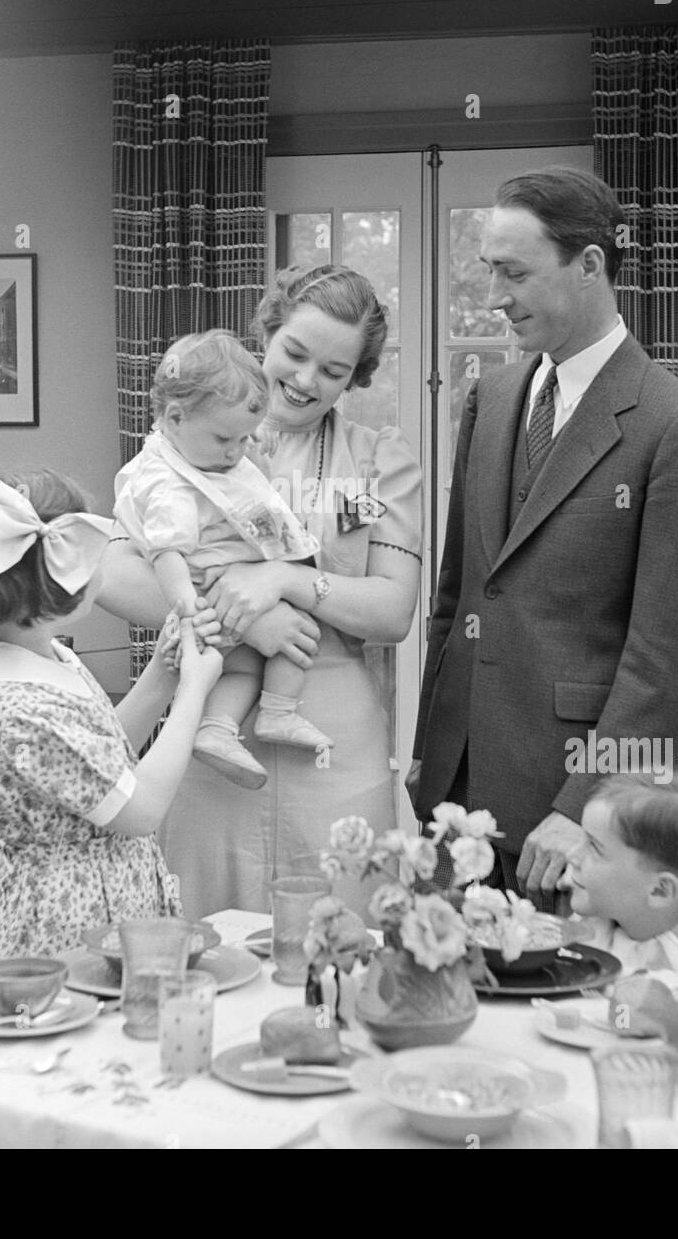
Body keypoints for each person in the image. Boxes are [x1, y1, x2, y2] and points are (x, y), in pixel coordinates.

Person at [411, 166, 678, 902]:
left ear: (590, 264)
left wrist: (584, 808)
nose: (495, 298)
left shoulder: (677, 426)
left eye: (514, 273)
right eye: (489, 271)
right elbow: (457, 599)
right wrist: (431, 755)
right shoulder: (488, 399)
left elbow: (666, 664)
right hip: (453, 804)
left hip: (569, 822)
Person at [97, 265, 423, 920]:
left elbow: (391, 612)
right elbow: (109, 575)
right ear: (267, 333)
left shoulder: (380, 460)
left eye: (333, 371)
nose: (306, 381)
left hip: (333, 748)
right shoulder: (181, 447)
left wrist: (284, 579)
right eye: (295, 354)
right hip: (207, 744)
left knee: (339, 951)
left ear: (357, 376)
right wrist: (251, 620)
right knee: (203, 948)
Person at [0, 468, 223, 996]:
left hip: (105, 896)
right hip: (62, 923)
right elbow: (141, 809)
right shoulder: (15, 703)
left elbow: (101, 760)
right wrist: (195, 694)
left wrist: (162, 674)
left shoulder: (37, 655)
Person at [113, 330, 332, 789]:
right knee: (293, 633)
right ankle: (273, 712)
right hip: (209, 588)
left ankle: (217, 729)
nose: (236, 452)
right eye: (226, 440)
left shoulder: (204, 447)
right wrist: (189, 609)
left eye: (245, 438)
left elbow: (237, 445)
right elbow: (167, 551)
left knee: (245, 664)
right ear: (174, 418)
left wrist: (255, 439)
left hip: (230, 582)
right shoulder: (168, 483)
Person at [559, 768, 678, 978]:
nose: (571, 855)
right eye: (582, 839)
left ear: (659, 891)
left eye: (594, 847)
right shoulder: (584, 929)